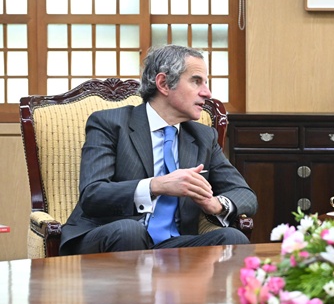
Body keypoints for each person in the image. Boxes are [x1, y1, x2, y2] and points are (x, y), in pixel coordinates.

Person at [60, 44, 257, 255]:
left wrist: (215, 204)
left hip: (172, 244)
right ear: (163, 83)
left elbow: (245, 195)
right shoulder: (110, 124)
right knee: (130, 231)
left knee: (233, 237)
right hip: (108, 236)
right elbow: (93, 195)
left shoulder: (202, 136)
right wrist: (157, 186)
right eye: (196, 81)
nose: (207, 93)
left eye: (206, 83)